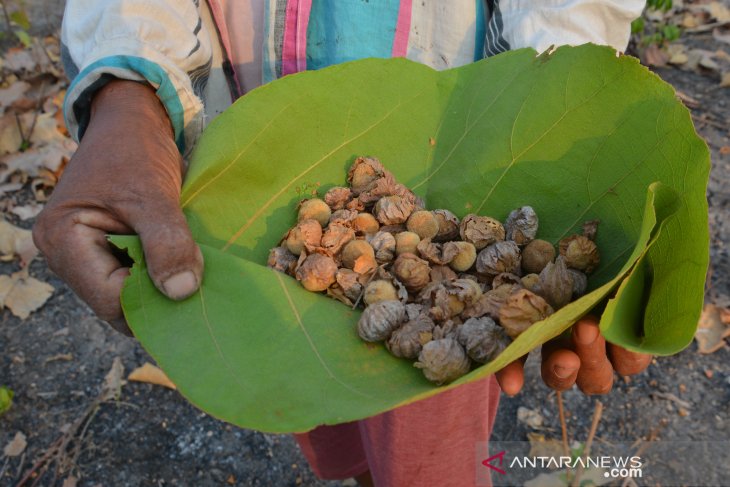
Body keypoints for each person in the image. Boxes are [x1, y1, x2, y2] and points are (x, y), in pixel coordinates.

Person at [34, 1, 653, 485]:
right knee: (317, 405)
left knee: (427, 454)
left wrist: (550, 96)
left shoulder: (444, 287)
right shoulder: (334, 247)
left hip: (460, 148)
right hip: (254, 173)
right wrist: (128, 93)